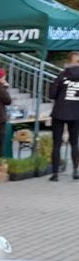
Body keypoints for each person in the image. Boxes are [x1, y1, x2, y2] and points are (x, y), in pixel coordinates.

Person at [48, 51, 79, 180]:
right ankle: (75, 171)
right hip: (76, 113)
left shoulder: (61, 76)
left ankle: (55, 174)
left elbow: (52, 94)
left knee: (57, 143)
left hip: (59, 112)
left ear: (69, 61)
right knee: (74, 143)